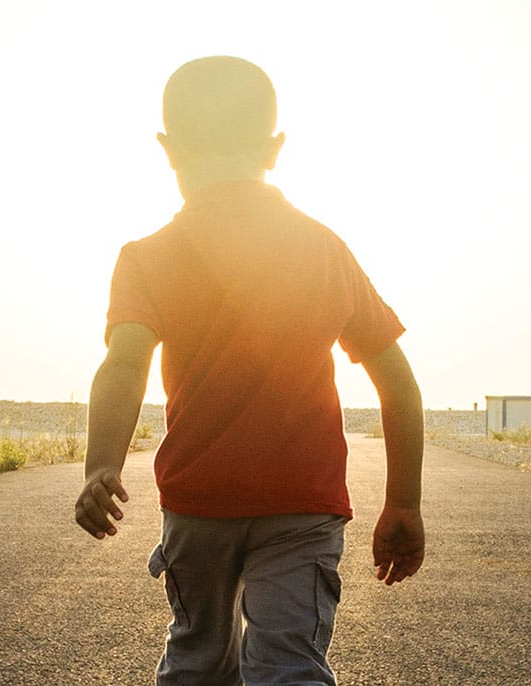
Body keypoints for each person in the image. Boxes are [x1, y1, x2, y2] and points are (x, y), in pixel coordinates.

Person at [75, 55, 425, 686]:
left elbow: (124, 364)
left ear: (167, 150)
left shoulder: (147, 257)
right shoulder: (322, 248)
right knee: (289, 665)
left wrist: (102, 463)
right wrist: (403, 500)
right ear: (275, 148)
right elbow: (395, 379)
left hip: (198, 503)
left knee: (198, 658)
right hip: (302, 502)